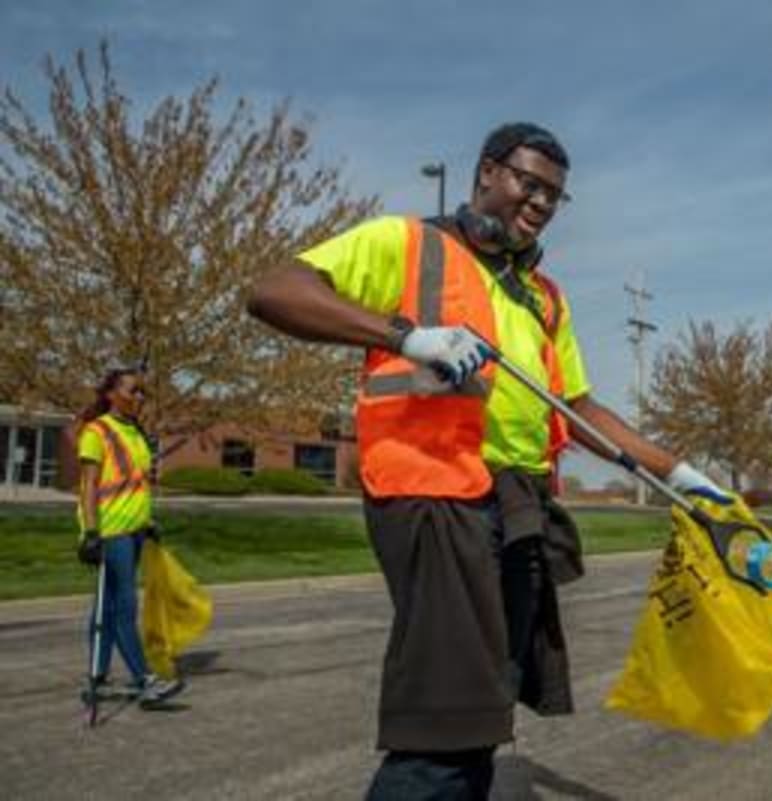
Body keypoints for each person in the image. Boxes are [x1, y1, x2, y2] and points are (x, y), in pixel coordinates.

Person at [247, 121, 729, 800]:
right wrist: (407, 336)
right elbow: (274, 291)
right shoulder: (408, 244)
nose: (538, 202)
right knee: (443, 725)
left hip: (515, 504)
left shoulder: (543, 297)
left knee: (483, 713)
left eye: (554, 196)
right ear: (486, 173)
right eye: (527, 183)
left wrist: (680, 474)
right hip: (432, 494)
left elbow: (577, 407)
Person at [76, 367, 184, 706]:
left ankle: (99, 677)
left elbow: (134, 484)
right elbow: (89, 485)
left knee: (106, 608)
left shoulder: (135, 432)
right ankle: (143, 680)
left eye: (142, 393)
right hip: (112, 531)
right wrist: (90, 533)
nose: (139, 397)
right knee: (124, 606)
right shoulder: (97, 431)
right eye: (132, 391)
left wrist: (148, 521)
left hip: (134, 530)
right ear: (111, 394)